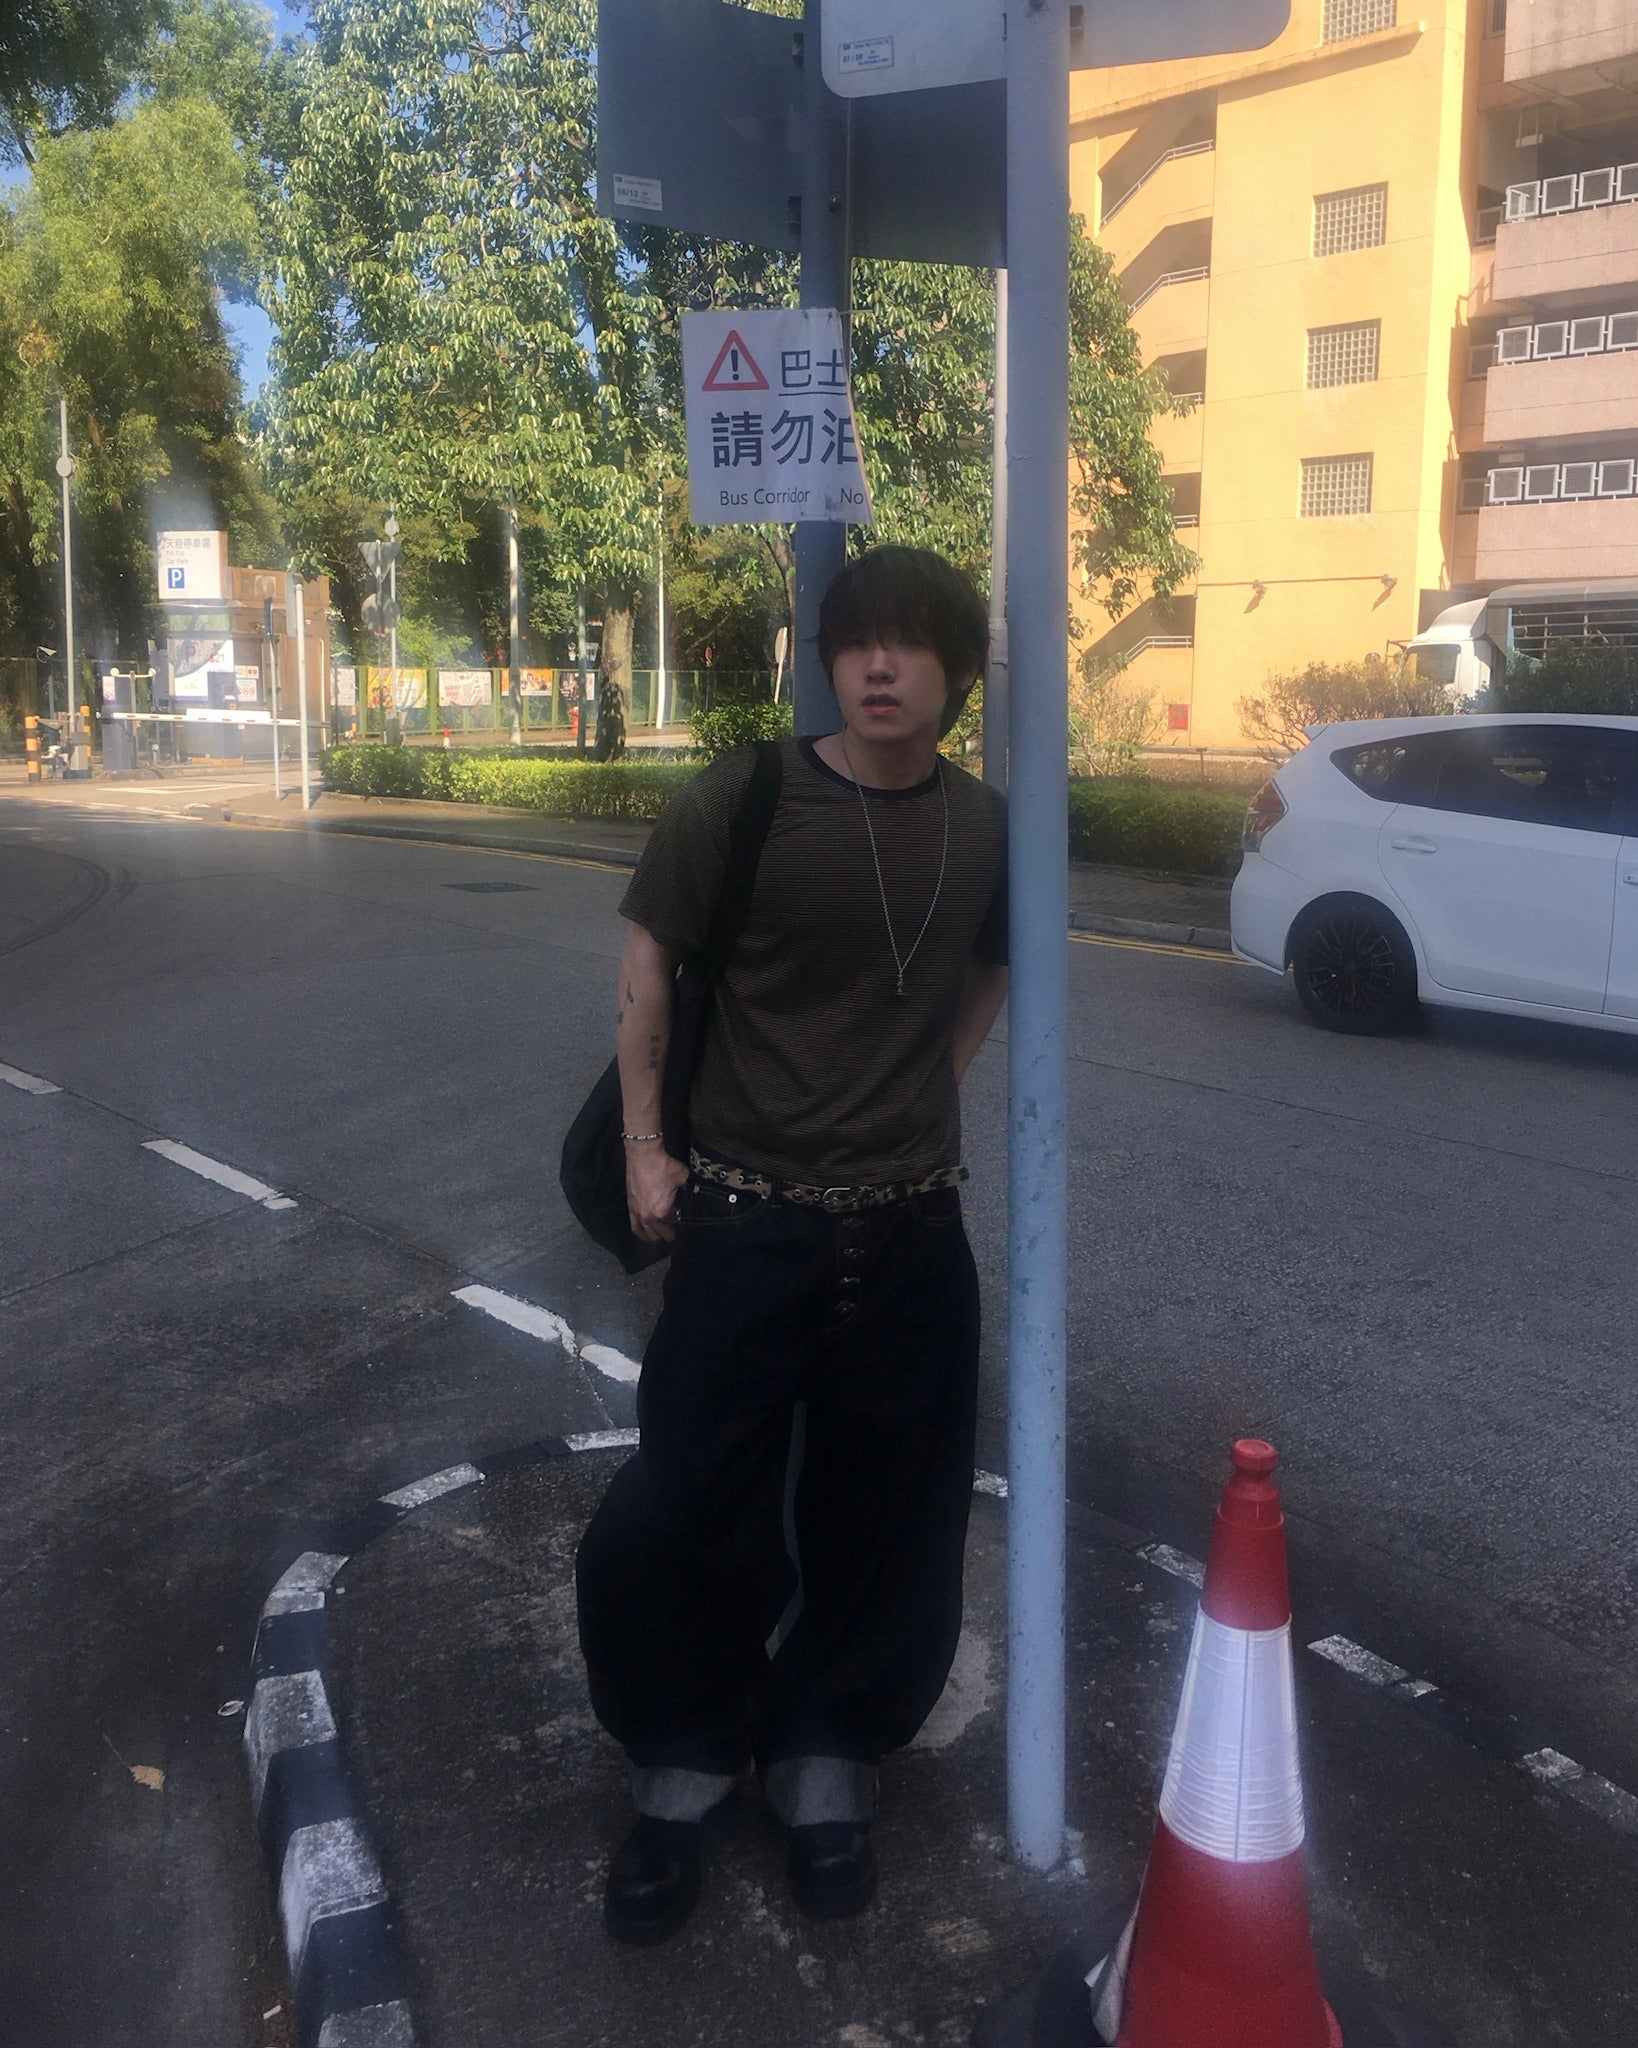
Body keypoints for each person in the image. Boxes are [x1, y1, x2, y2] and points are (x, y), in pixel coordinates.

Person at [575, 545, 1009, 1945]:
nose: (881, 665)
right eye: (858, 641)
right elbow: (649, 959)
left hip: (911, 1230)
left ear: (955, 671)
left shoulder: (987, 828)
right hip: (745, 1222)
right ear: (829, 661)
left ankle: (827, 1746)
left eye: (913, 643)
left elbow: (992, 965)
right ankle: (683, 1753)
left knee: (889, 1511)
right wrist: (646, 1143)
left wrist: (922, 1085)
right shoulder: (747, 796)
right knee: (690, 1499)